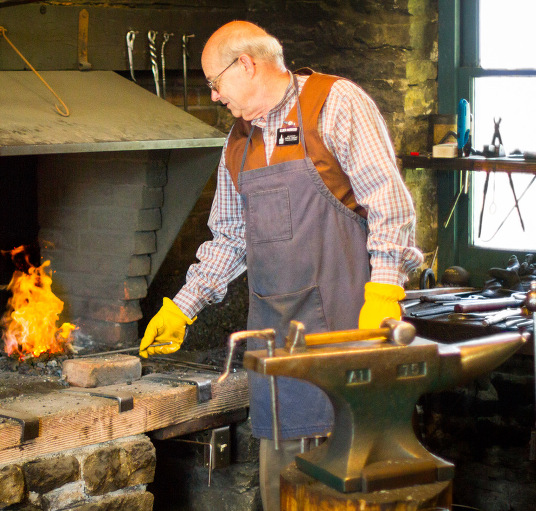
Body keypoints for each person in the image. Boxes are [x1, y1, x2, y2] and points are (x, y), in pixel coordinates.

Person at [138, 20, 424, 510]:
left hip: (347, 340)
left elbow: (390, 206)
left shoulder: (335, 105)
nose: (213, 96)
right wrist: (182, 307)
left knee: (352, 495)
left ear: (245, 65)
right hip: (278, 356)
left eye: (214, 83)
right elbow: (229, 239)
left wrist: (384, 292)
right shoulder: (237, 144)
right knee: (284, 494)